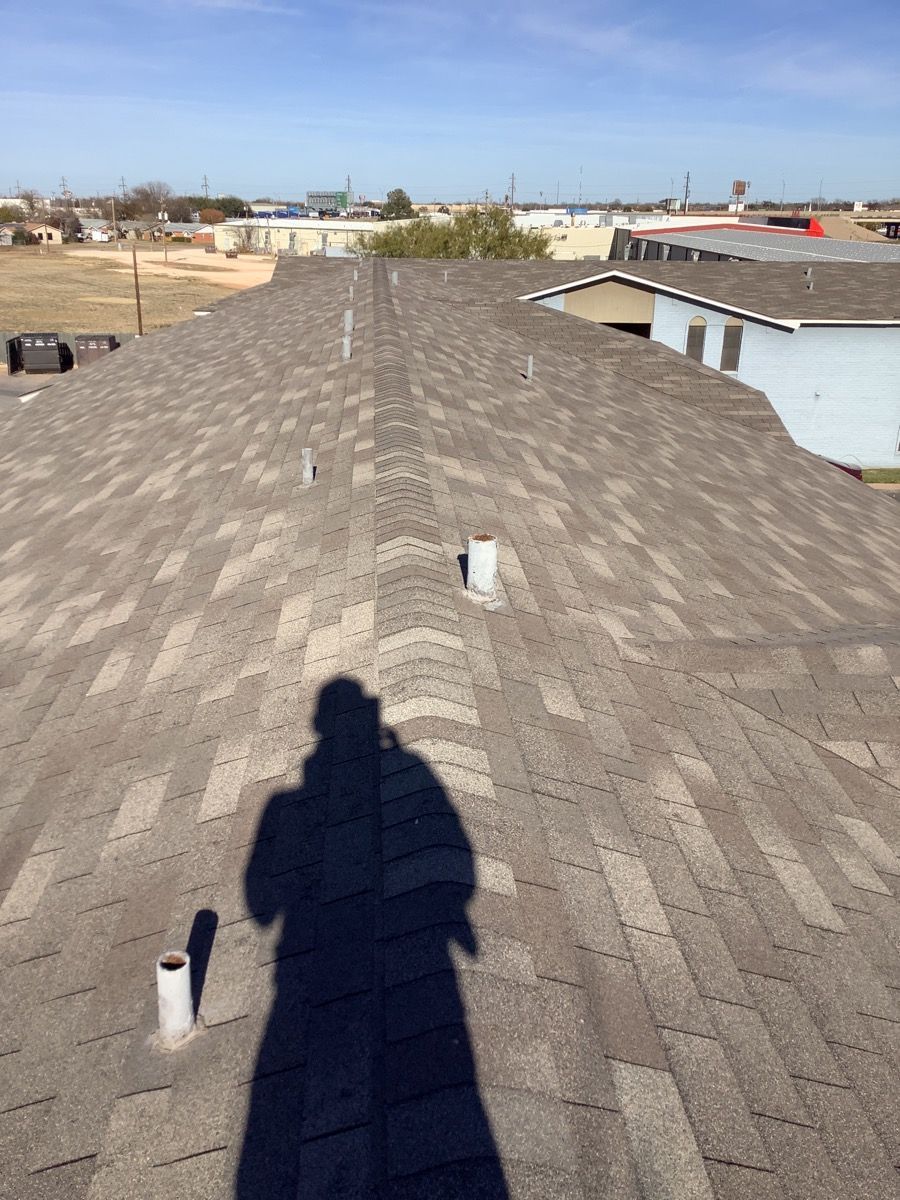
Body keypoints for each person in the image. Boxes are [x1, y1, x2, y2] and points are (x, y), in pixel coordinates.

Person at [237, 677, 507, 1198]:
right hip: (438, 961)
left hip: (298, 977)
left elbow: (258, 908)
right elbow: (464, 867)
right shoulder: (410, 767)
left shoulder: (283, 803)